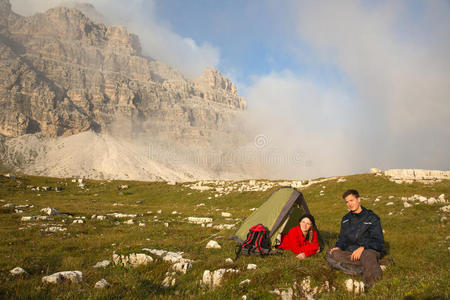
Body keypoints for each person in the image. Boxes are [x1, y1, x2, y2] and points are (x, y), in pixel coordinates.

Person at [326, 189, 384, 289]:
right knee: (331, 253)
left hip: (368, 250)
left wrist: (363, 248)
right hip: (350, 252)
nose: (349, 204)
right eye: (347, 202)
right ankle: (369, 266)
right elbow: (342, 239)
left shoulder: (372, 218)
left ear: (358, 199)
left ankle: (372, 284)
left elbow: (378, 241)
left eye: (351, 200)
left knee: (368, 255)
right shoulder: (345, 219)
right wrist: (338, 247)